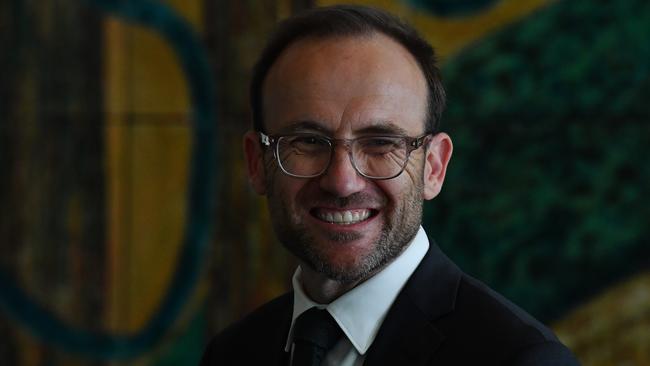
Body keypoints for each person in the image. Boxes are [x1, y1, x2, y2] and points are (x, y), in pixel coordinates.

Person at [200, 5, 579, 366]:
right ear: (256, 163)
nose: (342, 181)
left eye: (381, 143)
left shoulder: (520, 359)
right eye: (308, 141)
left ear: (434, 166)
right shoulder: (232, 353)